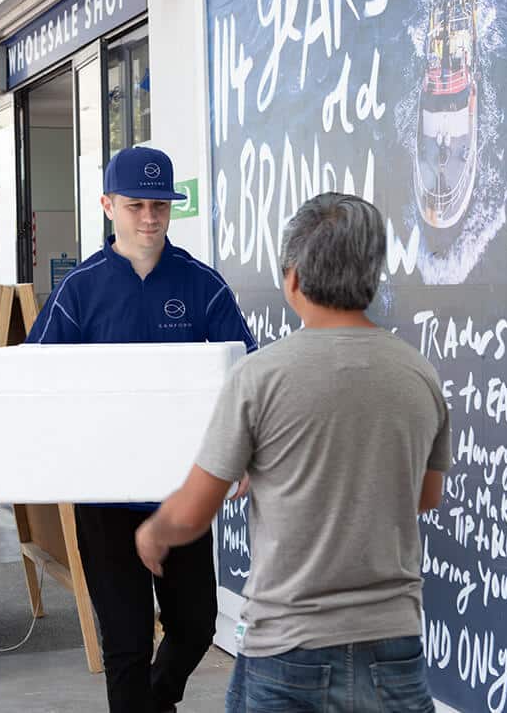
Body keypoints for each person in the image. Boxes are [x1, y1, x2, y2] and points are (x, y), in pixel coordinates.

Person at [135, 192, 450, 712]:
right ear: (374, 276)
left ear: (294, 278)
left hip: (287, 650)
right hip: (393, 648)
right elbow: (425, 496)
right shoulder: (419, 375)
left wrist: (155, 531)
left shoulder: (260, 378)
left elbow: (194, 512)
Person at [26, 145, 257, 713]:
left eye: (161, 206)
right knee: (125, 644)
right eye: (136, 206)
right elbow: (35, 375)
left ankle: (158, 701)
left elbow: (249, 372)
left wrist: (251, 450)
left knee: (197, 623)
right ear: (108, 205)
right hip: (105, 497)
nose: (150, 218)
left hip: (183, 491)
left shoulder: (202, 284)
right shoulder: (79, 290)